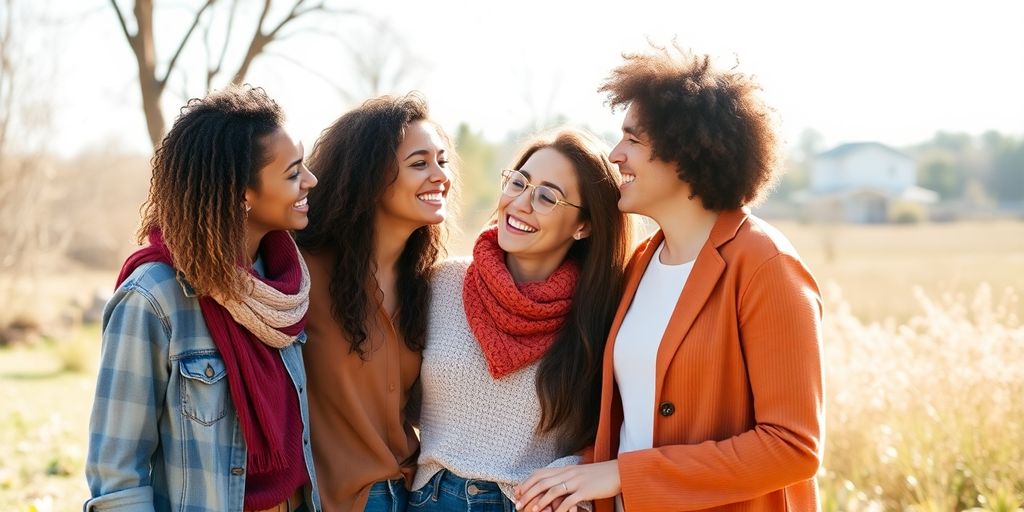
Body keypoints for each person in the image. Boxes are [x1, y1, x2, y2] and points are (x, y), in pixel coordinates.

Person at [515, 45, 824, 512]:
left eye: (632, 140)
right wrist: (579, 473)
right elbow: (636, 418)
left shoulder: (765, 265)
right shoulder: (641, 262)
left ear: (685, 150)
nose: (616, 155)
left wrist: (622, 475)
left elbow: (792, 446)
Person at [86, 85, 321, 512]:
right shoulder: (154, 300)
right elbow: (117, 476)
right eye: (292, 173)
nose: (310, 181)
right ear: (242, 193)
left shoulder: (287, 290)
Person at [409, 129, 632, 512]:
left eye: (547, 196)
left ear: (585, 225)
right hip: (431, 499)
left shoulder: (602, 313)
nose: (521, 203)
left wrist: (570, 474)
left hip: (531, 504)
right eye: (518, 182)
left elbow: (618, 428)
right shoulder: (441, 284)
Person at [295, 93, 453, 512]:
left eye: (442, 161)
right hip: (332, 499)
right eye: (420, 164)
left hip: (415, 495)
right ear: (368, 177)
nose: (440, 176)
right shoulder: (300, 270)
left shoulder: (431, 285)